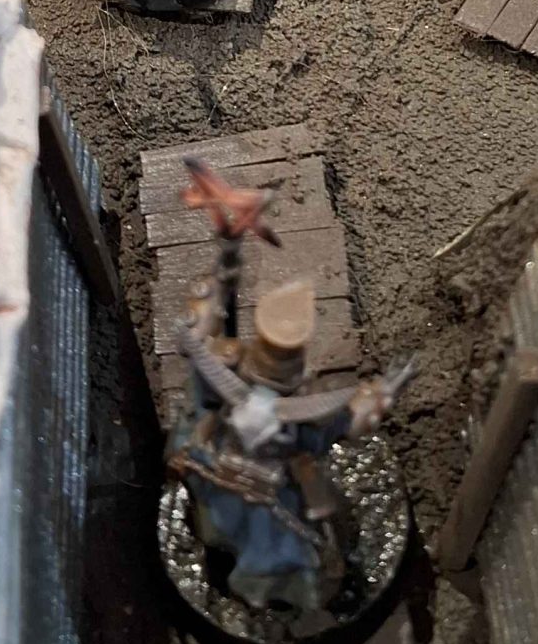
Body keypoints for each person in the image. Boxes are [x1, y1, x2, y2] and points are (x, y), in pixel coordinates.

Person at [167, 160, 412, 616]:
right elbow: (343, 422)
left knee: (251, 529)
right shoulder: (249, 385)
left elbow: (343, 421)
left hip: (229, 471)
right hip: (242, 484)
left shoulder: (254, 385)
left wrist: (226, 259)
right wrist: (381, 394)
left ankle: (246, 562)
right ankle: (272, 591)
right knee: (278, 555)